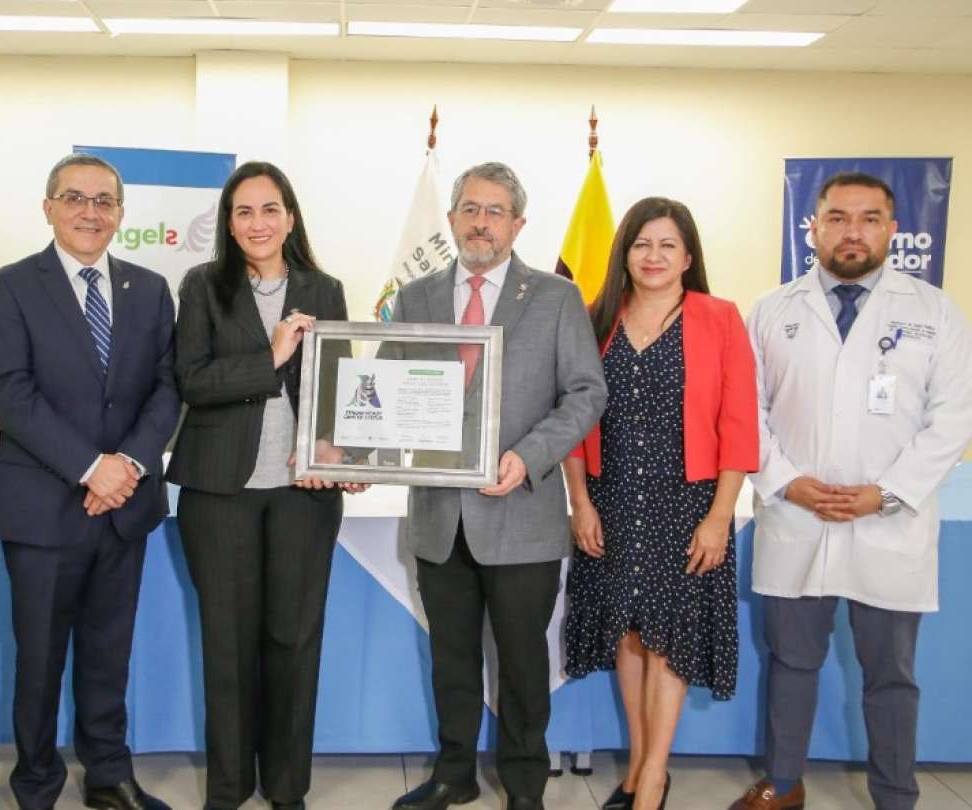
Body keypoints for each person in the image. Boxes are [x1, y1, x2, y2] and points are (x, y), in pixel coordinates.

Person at [729, 172, 972, 810]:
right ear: (814, 226)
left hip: (889, 525)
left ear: (893, 229)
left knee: (891, 676)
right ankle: (782, 784)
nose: (853, 231)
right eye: (837, 217)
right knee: (791, 664)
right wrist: (787, 481)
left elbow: (952, 419)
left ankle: (896, 794)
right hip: (795, 517)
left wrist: (885, 493)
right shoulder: (772, 310)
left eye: (869, 218)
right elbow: (744, 411)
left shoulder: (934, 313)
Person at [389, 162, 607, 810]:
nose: (480, 222)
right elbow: (393, 391)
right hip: (437, 517)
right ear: (453, 217)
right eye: (470, 208)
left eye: (495, 211)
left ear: (518, 224)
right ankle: (454, 774)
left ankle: (523, 788)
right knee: (452, 661)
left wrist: (528, 455)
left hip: (523, 513)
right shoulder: (415, 296)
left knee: (520, 666)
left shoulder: (555, 297)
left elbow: (586, 393)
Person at [0, 153, 181, 810]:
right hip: (43, 507)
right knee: (37, 659)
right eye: (75, 198)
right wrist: (94, 468)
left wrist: (129, 468)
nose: (90, 212)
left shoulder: (150, 289)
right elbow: (10, 393)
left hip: (124, 508)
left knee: (108, 652)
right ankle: (35, 782)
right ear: (48, 207)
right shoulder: (10, 287)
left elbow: (165, 389)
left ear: (121, 213)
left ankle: (108, 775)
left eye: (104, 201)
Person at [167, 161, 361, 810]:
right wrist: (270, 356)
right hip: (220, 492)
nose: (258, 222)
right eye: (244, 211)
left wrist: (343, 451)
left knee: (294, 642)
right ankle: (226, 790)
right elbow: (191, 381)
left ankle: (286, 788)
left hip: (304, 495)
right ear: (228, 222)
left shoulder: (324, 289)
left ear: (290, 217)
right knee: (227, 644)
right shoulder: (202, 287)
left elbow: (335, 391)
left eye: (270, 209)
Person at [561, 197, 759, 810]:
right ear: (625, 253)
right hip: (612, 498)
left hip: (688, 503)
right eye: (642, 244)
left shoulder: (719, 318)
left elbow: (738, 424)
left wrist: (720, 517)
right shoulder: (597, 319)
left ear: (688, 257)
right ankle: (639, 770)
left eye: (667, 245)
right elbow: (568, 417)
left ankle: (651, 779)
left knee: (667, 637)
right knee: (627, 633)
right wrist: (580, 503)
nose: (653, 256)